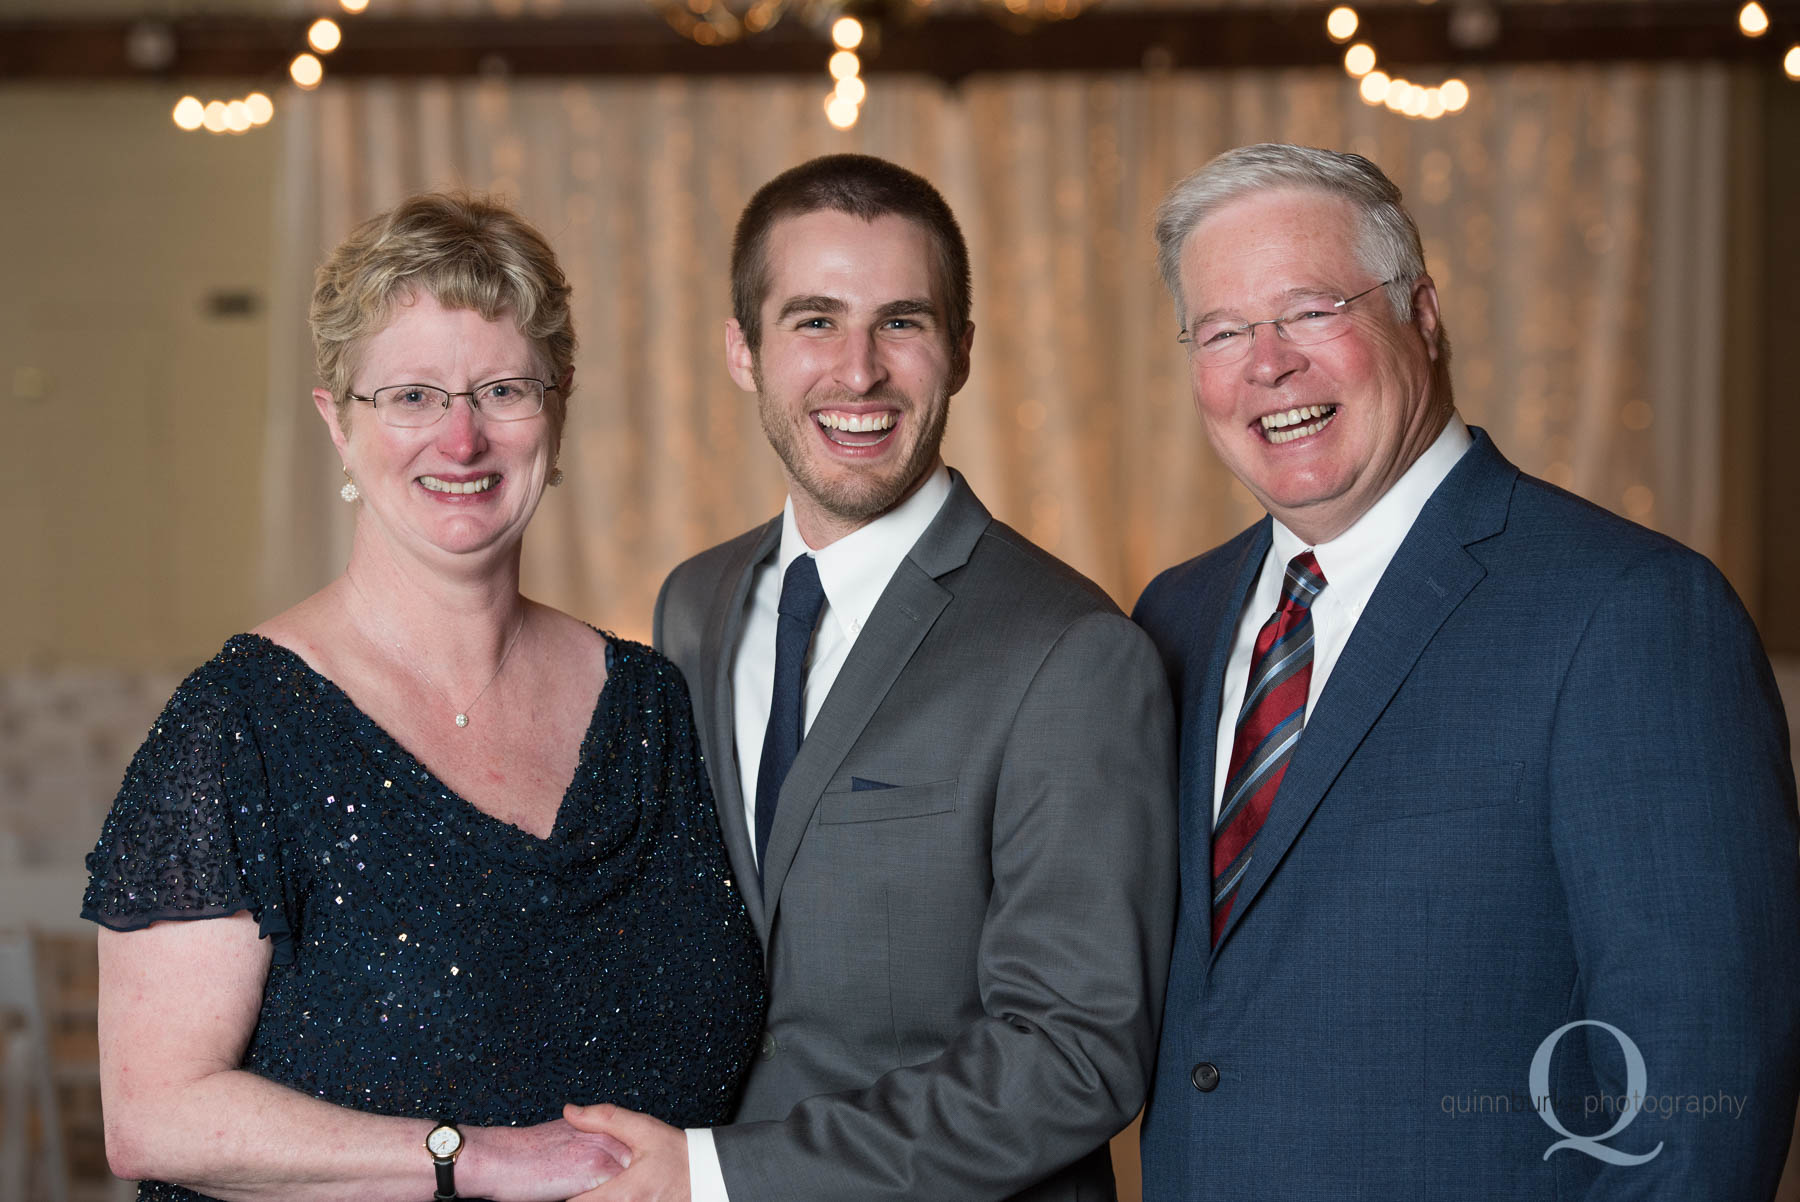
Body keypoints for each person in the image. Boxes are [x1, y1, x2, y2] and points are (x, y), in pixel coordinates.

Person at [1132, 142, 1800, 1199]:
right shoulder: (1176, 613)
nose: (1268, 363)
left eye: (1310, 310)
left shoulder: (1631, 610)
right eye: (1223, 330)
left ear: (1423, 314)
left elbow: (1701, 1082)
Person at [82, 193, 764, 1202]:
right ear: (338, 426)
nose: (460, 439)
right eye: (409, 396)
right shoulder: (240, 725)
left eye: (501, 389)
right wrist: (475, 1157)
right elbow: (154, 1115)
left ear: (559, 405)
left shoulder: (654, 705)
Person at [563, 153, 1179, 1201]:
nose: (859, 372)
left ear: (963, 351)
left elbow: (1077, 1054)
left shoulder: (1072, 649)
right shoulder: (694, 604)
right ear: (742, 350)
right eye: (813, 320)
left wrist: (719, 1173)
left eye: (902, 321)